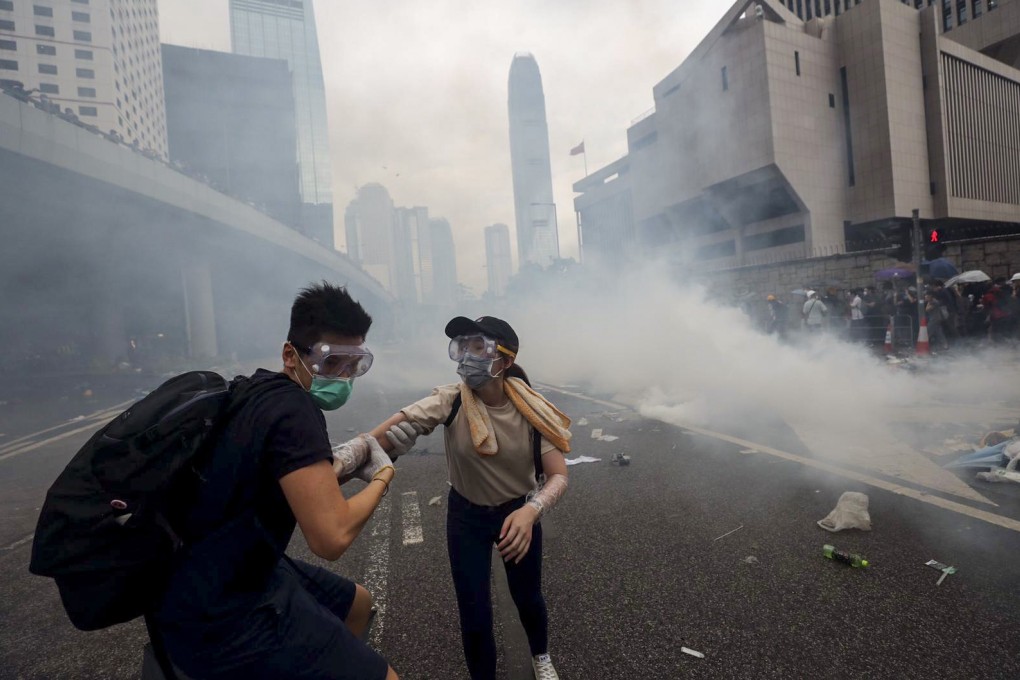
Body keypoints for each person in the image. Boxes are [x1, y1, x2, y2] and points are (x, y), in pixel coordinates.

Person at [153, 282, 402, 680]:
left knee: (358, 604)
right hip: (223, 611)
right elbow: (331, 537)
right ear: (291, 354)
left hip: (210, 573)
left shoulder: (257, 390)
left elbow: (295, 476)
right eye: (331, 361)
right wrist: (383, 477)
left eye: (354, 363)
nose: (343, 376)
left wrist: (358, 455)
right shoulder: (296, 412)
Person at [367, 316, 570, 680]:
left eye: (479, 347)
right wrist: (346, 458)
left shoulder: (532, 411)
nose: (466, 357)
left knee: (527, 597)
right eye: (462, 347)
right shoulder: (451, 400)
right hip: (466, 516)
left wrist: (532, 510)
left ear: (505, 361)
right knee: (474, 613)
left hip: (517, 514)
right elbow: (379, 436)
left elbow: (558, 475)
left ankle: (541, 656)